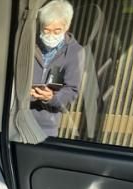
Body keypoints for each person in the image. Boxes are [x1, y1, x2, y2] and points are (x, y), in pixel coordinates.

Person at [31, 0, 83, 137]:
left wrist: (51, 97)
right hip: (19, 117)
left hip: (46, 125)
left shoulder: (74, 52)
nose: (50, 36)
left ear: (67, 27)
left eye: (57, 31)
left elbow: (71, 91)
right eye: (46, 30)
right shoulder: (29, 44)